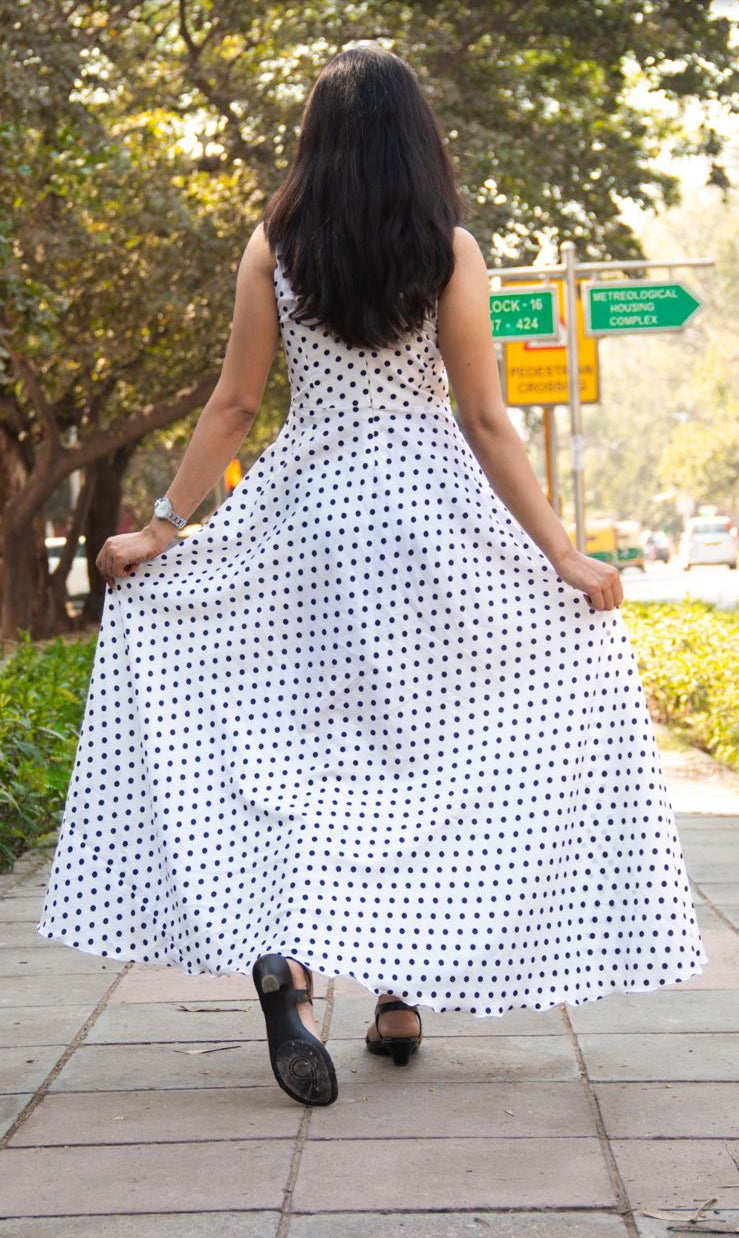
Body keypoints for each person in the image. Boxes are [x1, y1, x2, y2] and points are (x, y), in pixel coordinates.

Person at [37, 44, 707, 1109]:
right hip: (427, 520)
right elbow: (485, 417)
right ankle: (399, 988)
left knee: (306, 749)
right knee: (430, 754)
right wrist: (561, 553)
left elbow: (232, 405)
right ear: (415, 139)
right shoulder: (444, 245)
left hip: (302, 515)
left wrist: (162, 528)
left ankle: (293, 965)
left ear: (318, 140)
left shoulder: (275, 245)